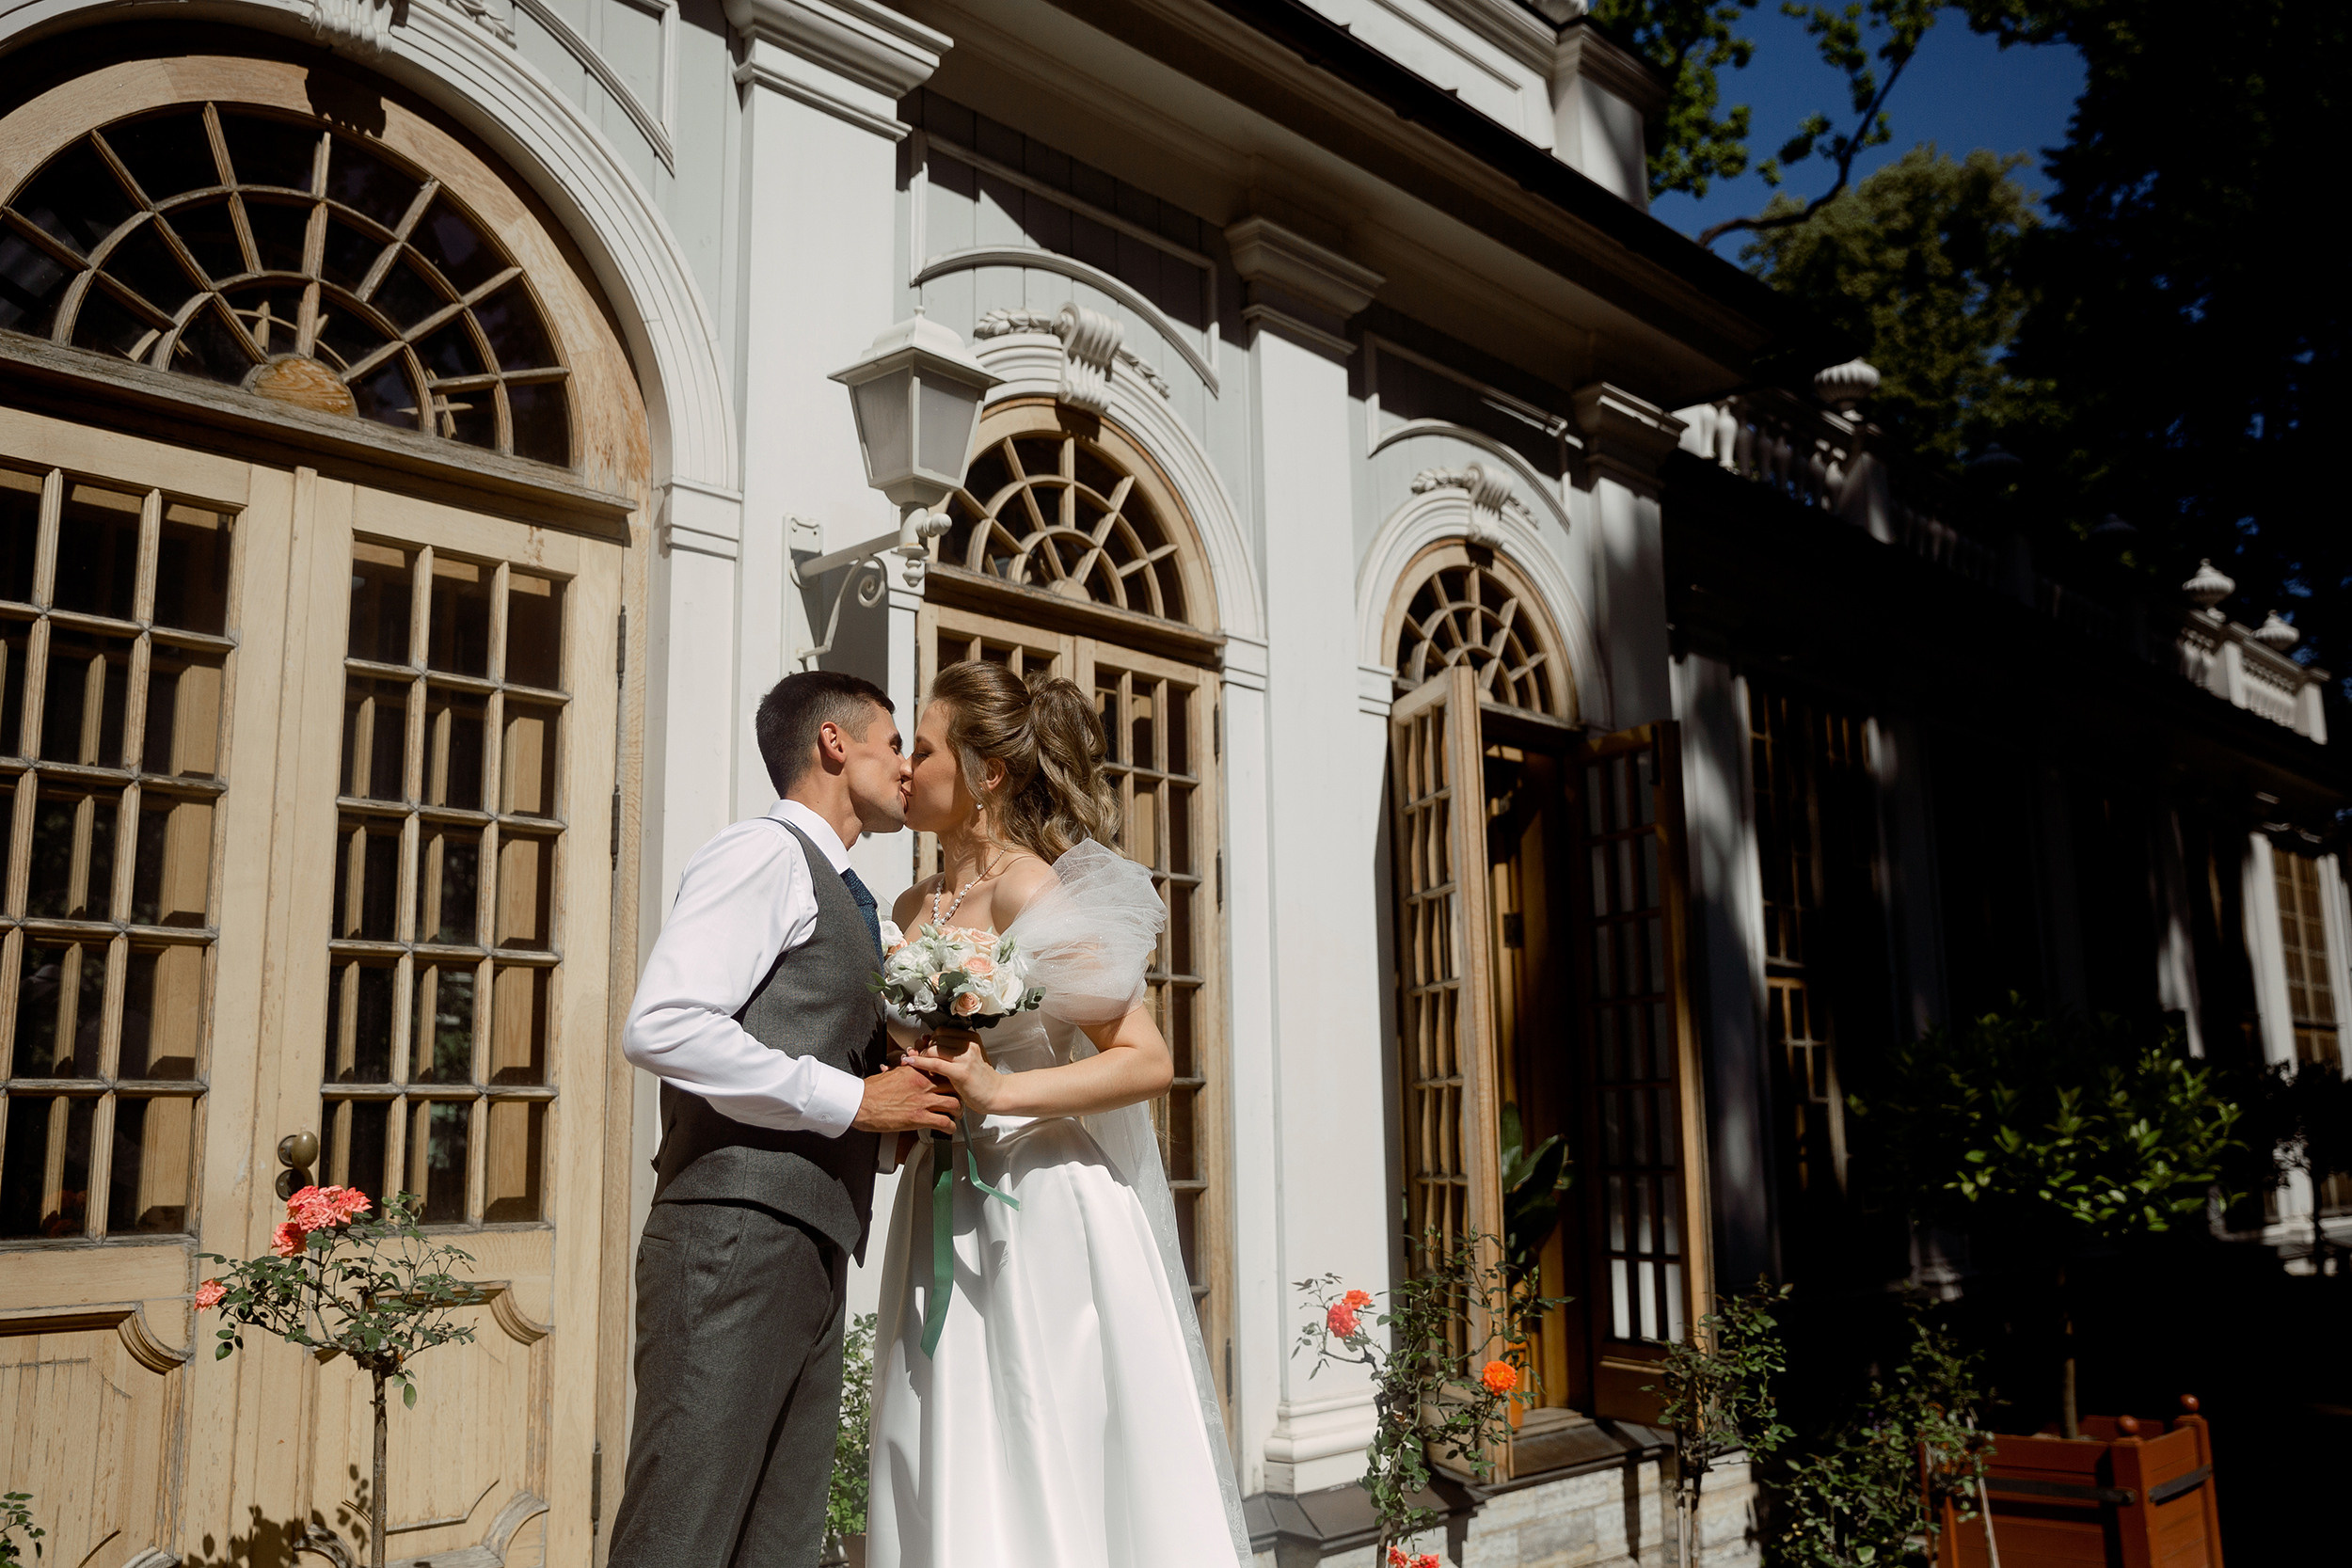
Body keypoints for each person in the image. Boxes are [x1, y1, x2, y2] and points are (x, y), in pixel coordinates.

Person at [868, 660, 1251, 1568]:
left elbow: (1146, 1058)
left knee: (1039, 1425)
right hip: (941, 1195)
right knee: (934, 1425)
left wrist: (999, 1092)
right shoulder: (911, 904)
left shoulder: (1031, 889)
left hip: (1039, 1202)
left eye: (923, 749)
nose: (906, 768)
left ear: (985, 774)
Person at [608, 671, 963, 1568]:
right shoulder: (761, 853)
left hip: (807, 1242)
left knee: (777, 1542)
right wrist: (854, 1101)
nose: (908, 768)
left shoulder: (852, 895)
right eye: (894, 743)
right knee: (681, 1533)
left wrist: (899, 1102)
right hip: (732, 1238)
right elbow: (663, 1024)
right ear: (835, 745)